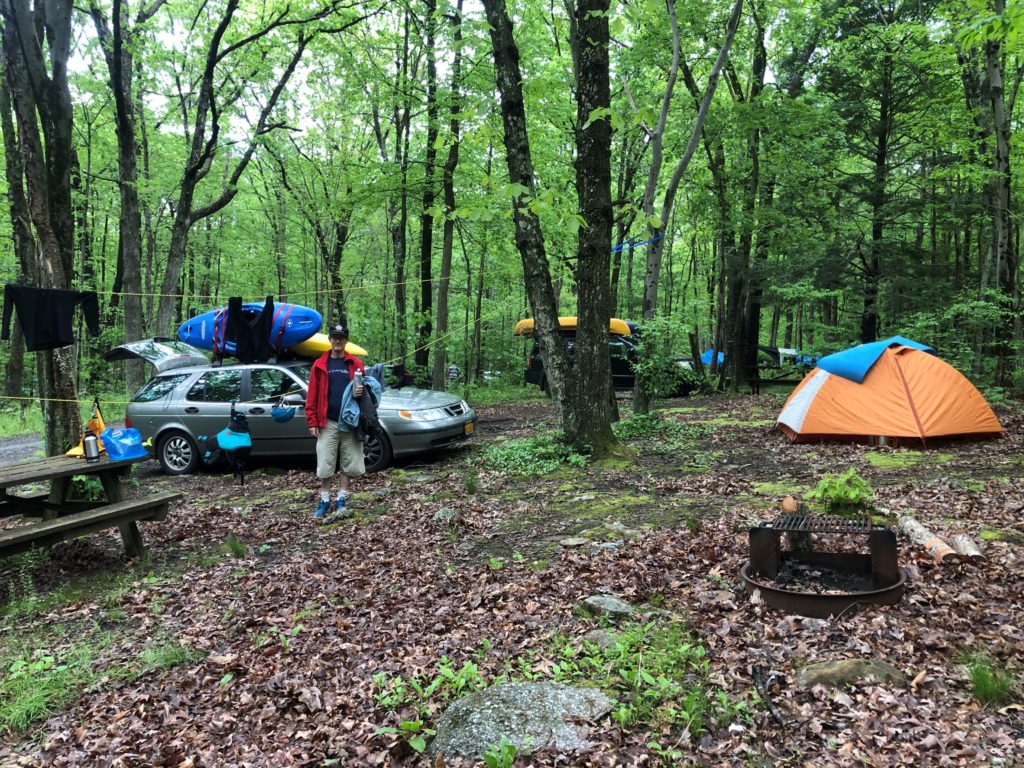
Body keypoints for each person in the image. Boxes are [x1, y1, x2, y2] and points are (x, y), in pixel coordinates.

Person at [306, 323, 366, 518]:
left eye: (341, 337)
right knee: (325, 464)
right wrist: (312, 421)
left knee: (348, 463)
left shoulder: (355, 364)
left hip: (349, 421)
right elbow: (312, 396)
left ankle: (341, 499)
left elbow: (367, 393)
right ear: (330, 340)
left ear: (346, 340)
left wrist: (361, 391)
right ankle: (324, 501)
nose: (337, 340)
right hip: (327, 422)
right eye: (334, 337)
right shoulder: (320, 365)